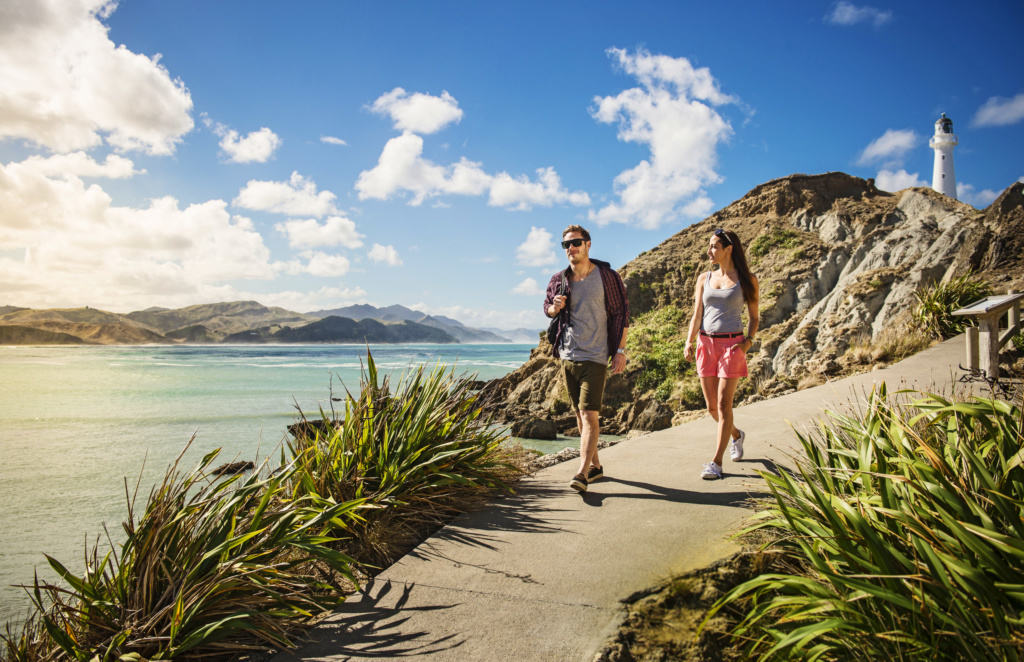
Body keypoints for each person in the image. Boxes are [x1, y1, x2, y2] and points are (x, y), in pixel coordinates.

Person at [544, 224, 629, 493]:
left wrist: (620, 350)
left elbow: (621, 314)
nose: (571, 248)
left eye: (576, 243)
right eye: (566, 245)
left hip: (595, 355)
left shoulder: (606, 276)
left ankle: (581, 472)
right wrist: (553, 308)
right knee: (580, 417)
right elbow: (546, 308)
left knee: (589, 414)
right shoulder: (559, 279)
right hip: (568, 355)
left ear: (588, 245)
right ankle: (596, 466)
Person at [682, 228, 759, 480]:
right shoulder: (704, 278)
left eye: (715, 246)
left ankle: (716, 462)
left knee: (725, 404)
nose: (709, 250)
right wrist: (689, 341)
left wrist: (747, 342)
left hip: (732, 346)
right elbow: (697, 314)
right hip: (706, 345)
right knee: (712, 408)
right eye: (710, 245)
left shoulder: (748, 279)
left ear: (729, 249)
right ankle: (737, 435)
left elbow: (754, 317)